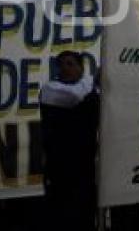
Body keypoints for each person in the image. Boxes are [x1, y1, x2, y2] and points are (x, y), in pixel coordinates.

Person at [40, 51, 100, 231]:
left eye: (70, 64)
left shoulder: (87, 87)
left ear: (81, 68)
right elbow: (75, 99)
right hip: (60, 165)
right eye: (62, 64)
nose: (66, 68)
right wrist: (95, 86)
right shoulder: (50, 89)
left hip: (86, 164)